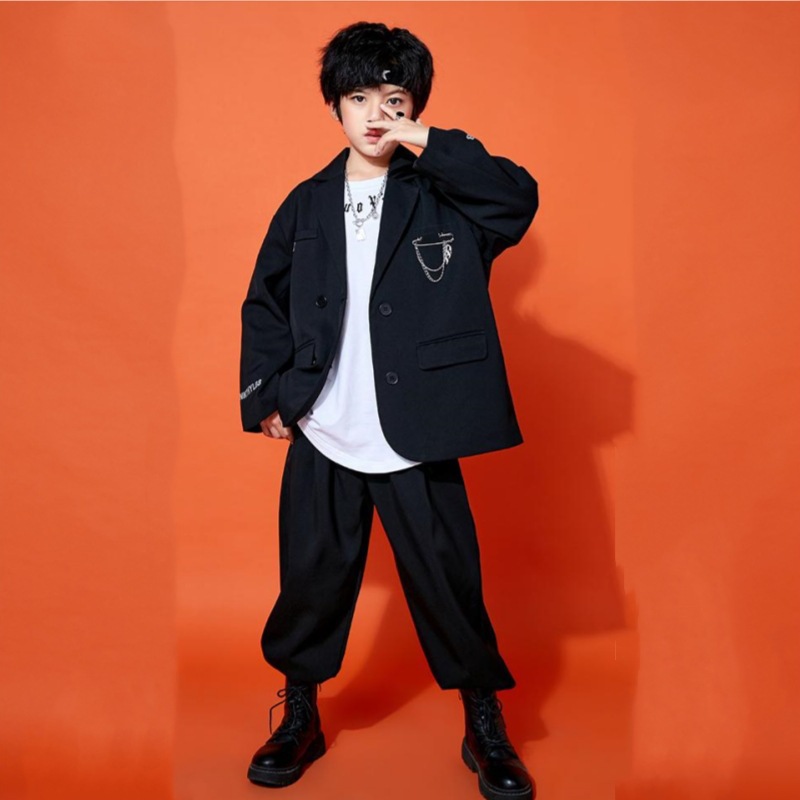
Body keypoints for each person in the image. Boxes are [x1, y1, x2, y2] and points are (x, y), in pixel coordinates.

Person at [239, 21, 539, 800]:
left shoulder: (446, 194)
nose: (376, 114)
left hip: (418, 429)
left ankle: (484, 725)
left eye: (394, 99)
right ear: (334, 107)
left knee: (449, 581)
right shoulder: (306, 204)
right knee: (311, 580)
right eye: (359, 98)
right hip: (325, 425)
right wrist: (269, 396)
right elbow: (264, 301)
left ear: (415, 108)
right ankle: (300, 715)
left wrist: (428, 142)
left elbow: (517, 197)